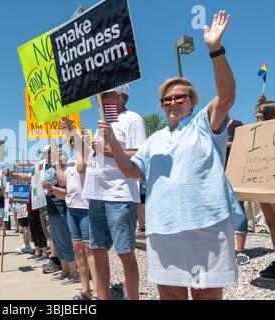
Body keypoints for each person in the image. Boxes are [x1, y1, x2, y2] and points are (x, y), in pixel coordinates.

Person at [99, 11, 245, 300]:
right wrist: (113, 143)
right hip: (163, 228)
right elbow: (131, 171)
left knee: (206, 295)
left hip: (206, 225)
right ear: (161, 106)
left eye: (180, 96)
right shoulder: (154, 140)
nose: (173, 102)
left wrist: (215, 48)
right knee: (171, 295)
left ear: (192, 101)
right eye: (167, 99)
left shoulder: (205, 123)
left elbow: (227, 96)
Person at [65, 83, 147, 300]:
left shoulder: (132, 119)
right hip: (97, 196)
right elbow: (90, 153)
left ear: (119, 97)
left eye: (104, 95)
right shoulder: (104, 123)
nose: (97, 99)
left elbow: (139, 153)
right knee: (98, 249)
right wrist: (70, 131)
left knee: (125, 252)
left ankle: (133, 297)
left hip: (119, 195)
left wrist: (107, 149)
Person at [5, 145, 78, 282]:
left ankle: (74, 272)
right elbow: (28, 176)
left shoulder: (62, 166)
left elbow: (65, 185)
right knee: (56, 240)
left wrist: (52, 187)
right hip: (49, 207)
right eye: (47, 154)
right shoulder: (43, 167)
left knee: (64, 240)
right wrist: (12, 174)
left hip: (60, 207)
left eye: (51, 154)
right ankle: (65, 270)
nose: (48, 156)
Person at [54, 131, 98, 300]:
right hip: (72, 207)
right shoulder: (70, 159)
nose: (72, 142)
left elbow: (81, 167)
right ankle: (85, 289)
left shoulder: (89, 156)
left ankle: (97, 291)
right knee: (77, 248)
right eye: (71, 140)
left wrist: (73, 132)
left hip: (86, 207)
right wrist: (57, 163)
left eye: (76, 139)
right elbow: (62, 180)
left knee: (89, 249)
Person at [253, 96, 275, 281]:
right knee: (271, 222)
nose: (256, 115)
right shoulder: (255, 135)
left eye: (260, 113)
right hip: (262, 182)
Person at [225, 118, 250, 265]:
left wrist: (226, 143)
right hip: (218, 173)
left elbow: (244, 147)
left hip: (235, 173)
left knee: (238, 208)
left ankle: (240, 250)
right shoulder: (212, 128)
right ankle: (225, 249)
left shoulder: (237, 125)